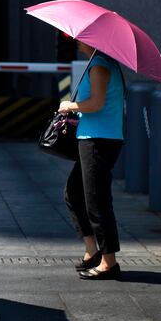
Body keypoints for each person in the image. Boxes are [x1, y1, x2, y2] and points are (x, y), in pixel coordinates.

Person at [57, 40, 125, 280]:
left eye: (81, 37)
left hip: (99, 140)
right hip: (94, 138)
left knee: (97, 200)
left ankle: (109, 262)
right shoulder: (98, 63)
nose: (76, 40)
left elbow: (96, 103)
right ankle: (92, 251)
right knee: (74, 193)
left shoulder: (100, 65)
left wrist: (70, 105)